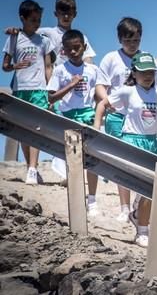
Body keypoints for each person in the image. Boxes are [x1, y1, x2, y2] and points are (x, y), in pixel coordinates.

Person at [93, 52, 157, 248]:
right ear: (134, 73)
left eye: (151, 72)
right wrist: (96, 128)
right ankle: (134, 213)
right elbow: (103, 104)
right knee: (139, 184)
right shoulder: (128, 92)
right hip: (131, 141)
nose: (148, 76)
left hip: (152, 143)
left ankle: (142, 227)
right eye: (143, 72)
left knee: (151, 188)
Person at [95, 17, 154, 222]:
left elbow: (156, 86)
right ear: (120, 39)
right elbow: (100, 85)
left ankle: (139, 206)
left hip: (140, 119)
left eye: (136, 40)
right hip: (117, 116)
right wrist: (107, 101)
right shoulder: (111, 58)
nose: (133, 44)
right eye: (129, 40)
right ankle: (124, 207)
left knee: (141, 163)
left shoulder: (146, 58)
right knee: (121, 162)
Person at [47, 29, 103, 216]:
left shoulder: (93, 70)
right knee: (73, 161)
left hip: (88, 116)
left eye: (77, 48)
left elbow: (99, 95)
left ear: (84, 48)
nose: (73, 52)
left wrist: (100, 115)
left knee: (92, 158)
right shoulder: (60, 70)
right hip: (68, 117)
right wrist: (70, 85)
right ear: (63, 50)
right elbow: (51, 97)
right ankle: (77, 197)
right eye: (69, 49)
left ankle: (93, 200)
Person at [2, 0, 53, 184]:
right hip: (20, 89)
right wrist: (15, 65)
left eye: (39, 19)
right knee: (24, 129)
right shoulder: (14, 38)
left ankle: (33, 167)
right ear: (22, 19)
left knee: (36, 128)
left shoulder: (44, 41)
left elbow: (48, 66)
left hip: (39, 89)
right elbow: (5, 66)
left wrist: (50, 90)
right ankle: (30, 167)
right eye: (33, 20)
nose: (37, 23)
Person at [39, 0, 97, 67]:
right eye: (62, 14)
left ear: (75, 14)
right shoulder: (46, 32)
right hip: (55, 75)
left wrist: (89, 72)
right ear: (56, 14)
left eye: (69, 14)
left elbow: (87, 58)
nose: (66, 17)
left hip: (76, 76)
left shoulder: (81, 37)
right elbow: (25, 33)